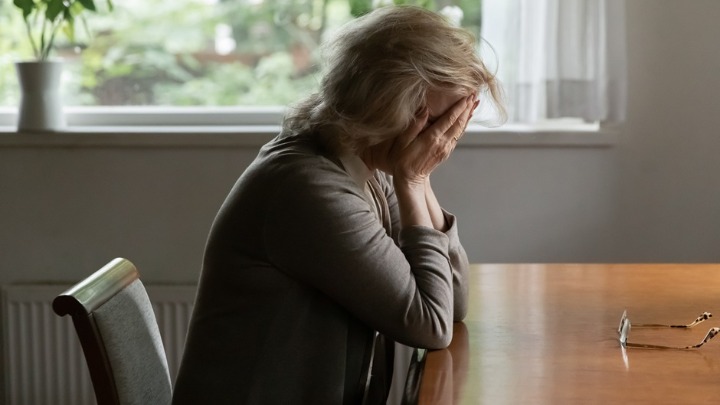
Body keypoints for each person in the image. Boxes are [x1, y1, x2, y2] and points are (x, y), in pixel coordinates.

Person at [172, 5, 504, 405]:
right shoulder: (306, 187)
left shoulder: (364, 166)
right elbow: (430, 324)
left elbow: (452, 304)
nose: (440, 140)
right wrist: (414, 179)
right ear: (385, 102)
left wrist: (419, 178)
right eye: (435, 122)